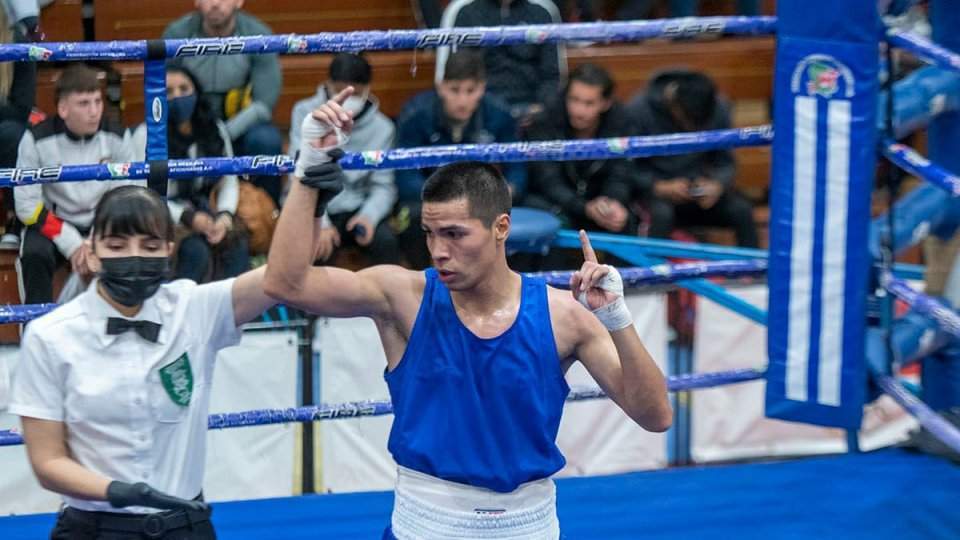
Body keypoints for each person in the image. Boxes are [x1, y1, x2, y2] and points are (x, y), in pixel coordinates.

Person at [264, 89, 672, 538]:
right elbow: (286, 283)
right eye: (430, 234)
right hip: (423, 525)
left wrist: (616, 318)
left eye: (455, 234)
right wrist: (309, 169)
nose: (439, 251)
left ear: (501, 227)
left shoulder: (563, 316)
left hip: (527, 527)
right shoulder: (402, 296)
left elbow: (655, 416)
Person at [8, 185, 276, 539]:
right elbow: (47, 461)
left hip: (185, 522)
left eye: (149, 247)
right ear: (91, 251)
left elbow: (282, 279)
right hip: (94, 526)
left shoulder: (193, 308)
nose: (133, 257)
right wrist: (116, 490)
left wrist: (310, 185)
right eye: (117, 246)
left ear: (168, 250)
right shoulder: (50, 335)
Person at [15, 63, 138, 304]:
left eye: (98, 101)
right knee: (33, 253)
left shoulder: (118, 136)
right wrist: (72, 243)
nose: (94, 111)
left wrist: (96, 239)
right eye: (84, 103)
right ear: (63, 108)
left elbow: (127, 195)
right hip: (53, 223)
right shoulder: (36, 139)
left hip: (104, 222)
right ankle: (32, 330)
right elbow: (27, 207)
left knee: (131, 242)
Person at [395, 49, 526, 267]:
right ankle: (424, 285)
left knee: (522, 213)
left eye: (470, 90)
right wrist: (445, 200)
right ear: (440, 86)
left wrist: (507, 191)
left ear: (482, 88)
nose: (462, 100)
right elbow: (405, 175)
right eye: (454, 90)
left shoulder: (500, 114)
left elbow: (518, 170)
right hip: (430, 201)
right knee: (411, 218)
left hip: (484, 202)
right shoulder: (415, 114)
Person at [131, 66, 250, 283]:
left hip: (207, 206)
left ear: (196, 92)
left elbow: (229, 180)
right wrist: (187, 217)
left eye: (184, 89)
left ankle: (235, 312)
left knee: (236, 243)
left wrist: (224, 215)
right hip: (164, 214)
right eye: (168, 92)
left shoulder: (214, 128)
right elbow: (144, 195)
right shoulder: (145, 135)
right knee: (195, 249)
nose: (177, 96)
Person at [163, 0, 284, 205]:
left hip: (237, 126)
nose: (216, 4)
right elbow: (163, 90)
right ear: (197, 2)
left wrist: (222, 133)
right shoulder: (177, 34)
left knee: (267, 139)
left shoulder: (259, 34)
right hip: (190, 124)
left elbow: (264, 104)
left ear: (239, 1)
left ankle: (268, 213)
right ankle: (179, 210)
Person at [628, 69, 759, 248]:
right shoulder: (638, 110)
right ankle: (652, 273)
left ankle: (752, 273)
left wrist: (717, 185)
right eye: (688, 122)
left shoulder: (718, 107)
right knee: (661, 214)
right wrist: (658, 186)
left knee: (742, 210)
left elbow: (726, 162)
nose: (693, 128)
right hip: (655, 195)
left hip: (699, 194)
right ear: (674, 104)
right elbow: (626, 167)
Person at [290, 53, 399, 265]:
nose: (348, 100)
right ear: (328, 85)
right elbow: (300, 175)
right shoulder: (305, 113)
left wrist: (369, 216)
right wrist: (319, 223)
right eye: (341, 91)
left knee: (387, 244)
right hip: (315, 204)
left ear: (368, 89)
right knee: (315, 250)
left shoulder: (383, 128)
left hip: (358, 208)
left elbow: (384, 186)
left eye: (356, 93)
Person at [523, 64, 640, 237]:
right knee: (555, 221)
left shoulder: (622, 121)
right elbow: (546, 179)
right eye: (574, 100)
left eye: (589, 103)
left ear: (606, 103)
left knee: (623, 219)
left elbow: (622, 173)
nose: (579, 111)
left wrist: (610, 202)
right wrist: (583, 207)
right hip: (557, 203)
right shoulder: (545, 120)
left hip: (599, 200)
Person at [435, 0, 565, 121]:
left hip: (533, 110)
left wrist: (541, 109)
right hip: (482, 112)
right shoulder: (467, 13)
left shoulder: (541, 13)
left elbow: (551, 75)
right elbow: (461, 72)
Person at [0, 3, 37, 248]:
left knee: (12, 134)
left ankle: (16, 220)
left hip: (5, 128)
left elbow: (22, 108)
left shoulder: (17, 43)